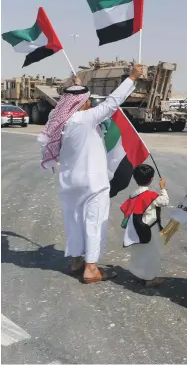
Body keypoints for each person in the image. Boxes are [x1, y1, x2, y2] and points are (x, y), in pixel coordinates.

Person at [38, 64, 143, 284]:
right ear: (82, 103)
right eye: (88, 100)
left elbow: (74, 103)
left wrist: (76, 86)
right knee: (94, 222)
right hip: (92, 183)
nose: (90, 103)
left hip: (70, 183)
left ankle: (77, 262)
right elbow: (113, 101)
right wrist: (132, 77)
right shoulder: (86, 119)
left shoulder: (58, 120)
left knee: (74, 221)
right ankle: (91, 269)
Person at [121, 164, 170, 287]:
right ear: (152, 179)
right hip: (150, 228)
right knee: (151, 253)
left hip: (137, 228)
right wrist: (163, 188)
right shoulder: (151, 195)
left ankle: (139, 273)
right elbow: (165, 201)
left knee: (139, 252)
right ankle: (149, 279)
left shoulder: (133, 194)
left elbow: (125, 208)